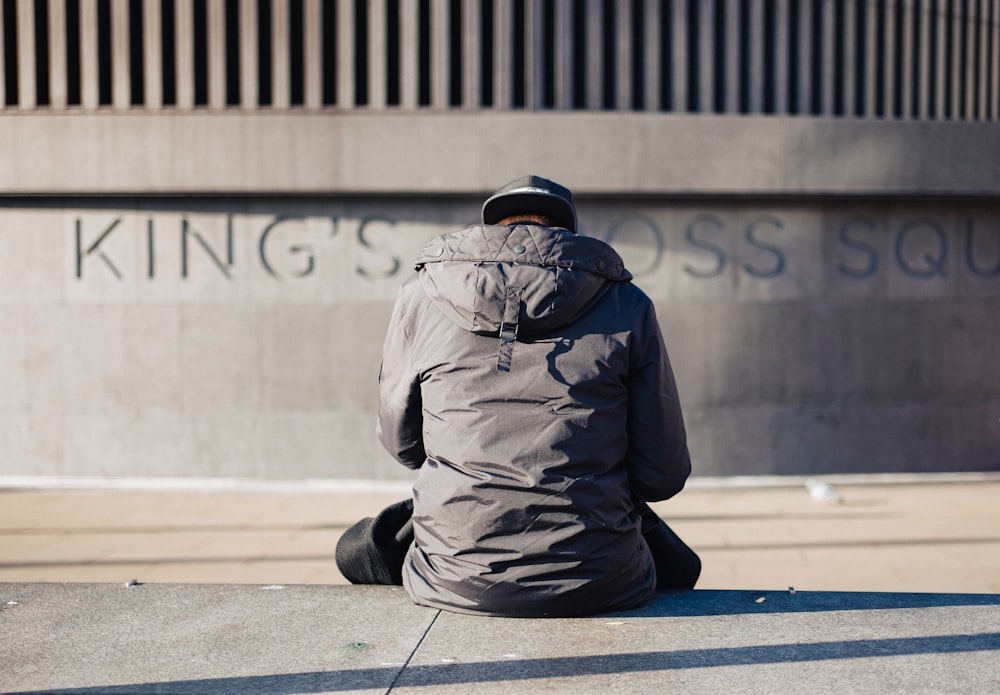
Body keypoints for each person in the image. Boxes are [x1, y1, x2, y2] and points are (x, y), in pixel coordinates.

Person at [336, 175, 700, 617]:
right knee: (679, 562)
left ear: (493, 230)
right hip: (602, 579)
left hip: (453, 576)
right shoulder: (629, 303)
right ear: (565, 233)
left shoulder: (420, 298)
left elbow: (404, 447)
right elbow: (662, 475)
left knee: (356, 547)